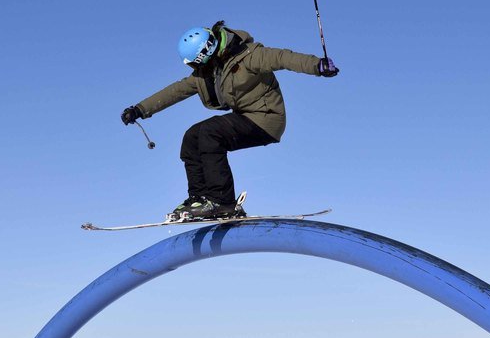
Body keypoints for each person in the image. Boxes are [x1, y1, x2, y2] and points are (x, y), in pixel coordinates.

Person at [121, 21, 339, 221]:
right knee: (192, 136)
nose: (196, 69)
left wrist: (317, 66)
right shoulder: (209, 70)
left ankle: (222, 201)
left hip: (267, 119)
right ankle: (199, 198)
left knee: (210, 132)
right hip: (244, 117)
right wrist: (140, 109)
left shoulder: (249, 55)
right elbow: (175, 91)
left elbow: (283, 57)